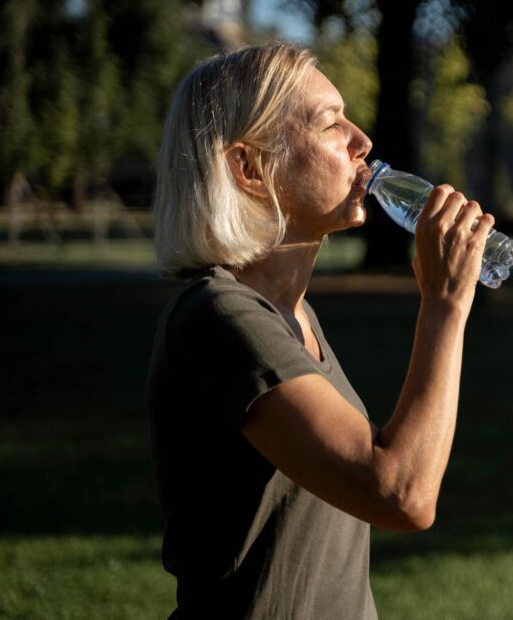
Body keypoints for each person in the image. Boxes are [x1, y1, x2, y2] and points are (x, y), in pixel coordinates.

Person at [146, 43, 494, 618]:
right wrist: (444, 304)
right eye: (331, 123)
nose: (362, 141)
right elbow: (401, 493)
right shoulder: (217, 317)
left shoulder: (295, 315)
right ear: (249, 167)